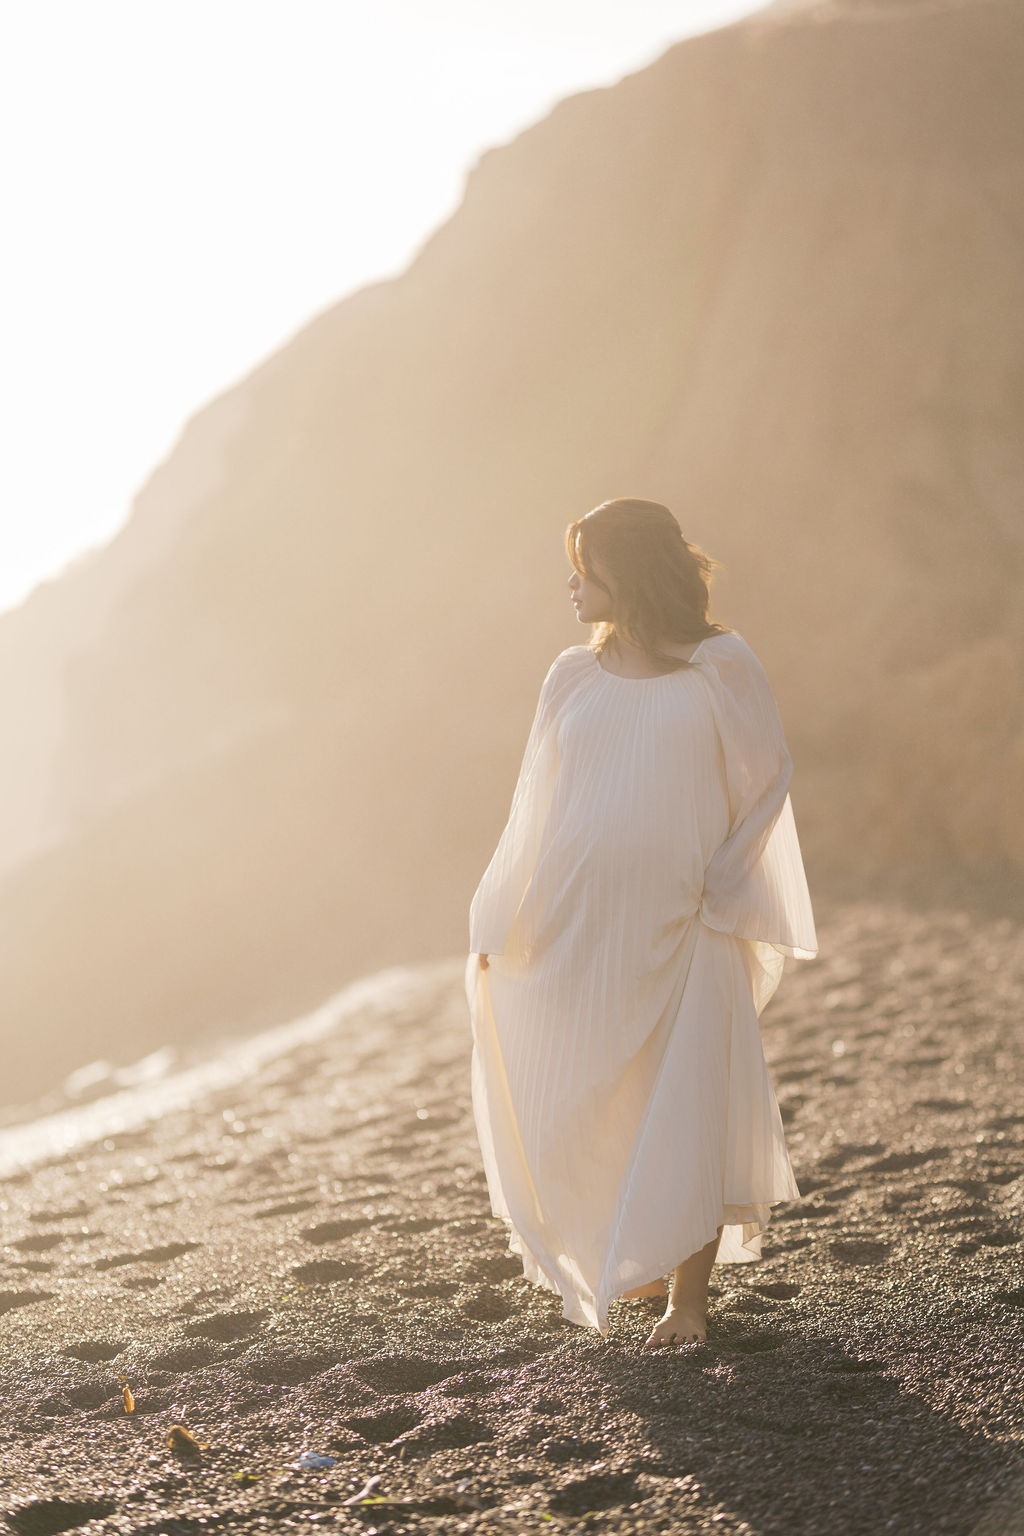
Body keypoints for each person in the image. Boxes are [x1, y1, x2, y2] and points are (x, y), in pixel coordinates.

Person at [466, 497, 817, 1348]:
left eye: (586, 567)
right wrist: (500, 914)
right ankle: (635, 1248)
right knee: (576, 1098)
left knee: (691, 1097)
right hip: (577, 925)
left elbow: (766, 784)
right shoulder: (569, 676)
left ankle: (685, 1304)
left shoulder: (720, 665)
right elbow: (534, 807)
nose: (572, 585)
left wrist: (723, 892)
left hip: (687, 921)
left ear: (630, 572)